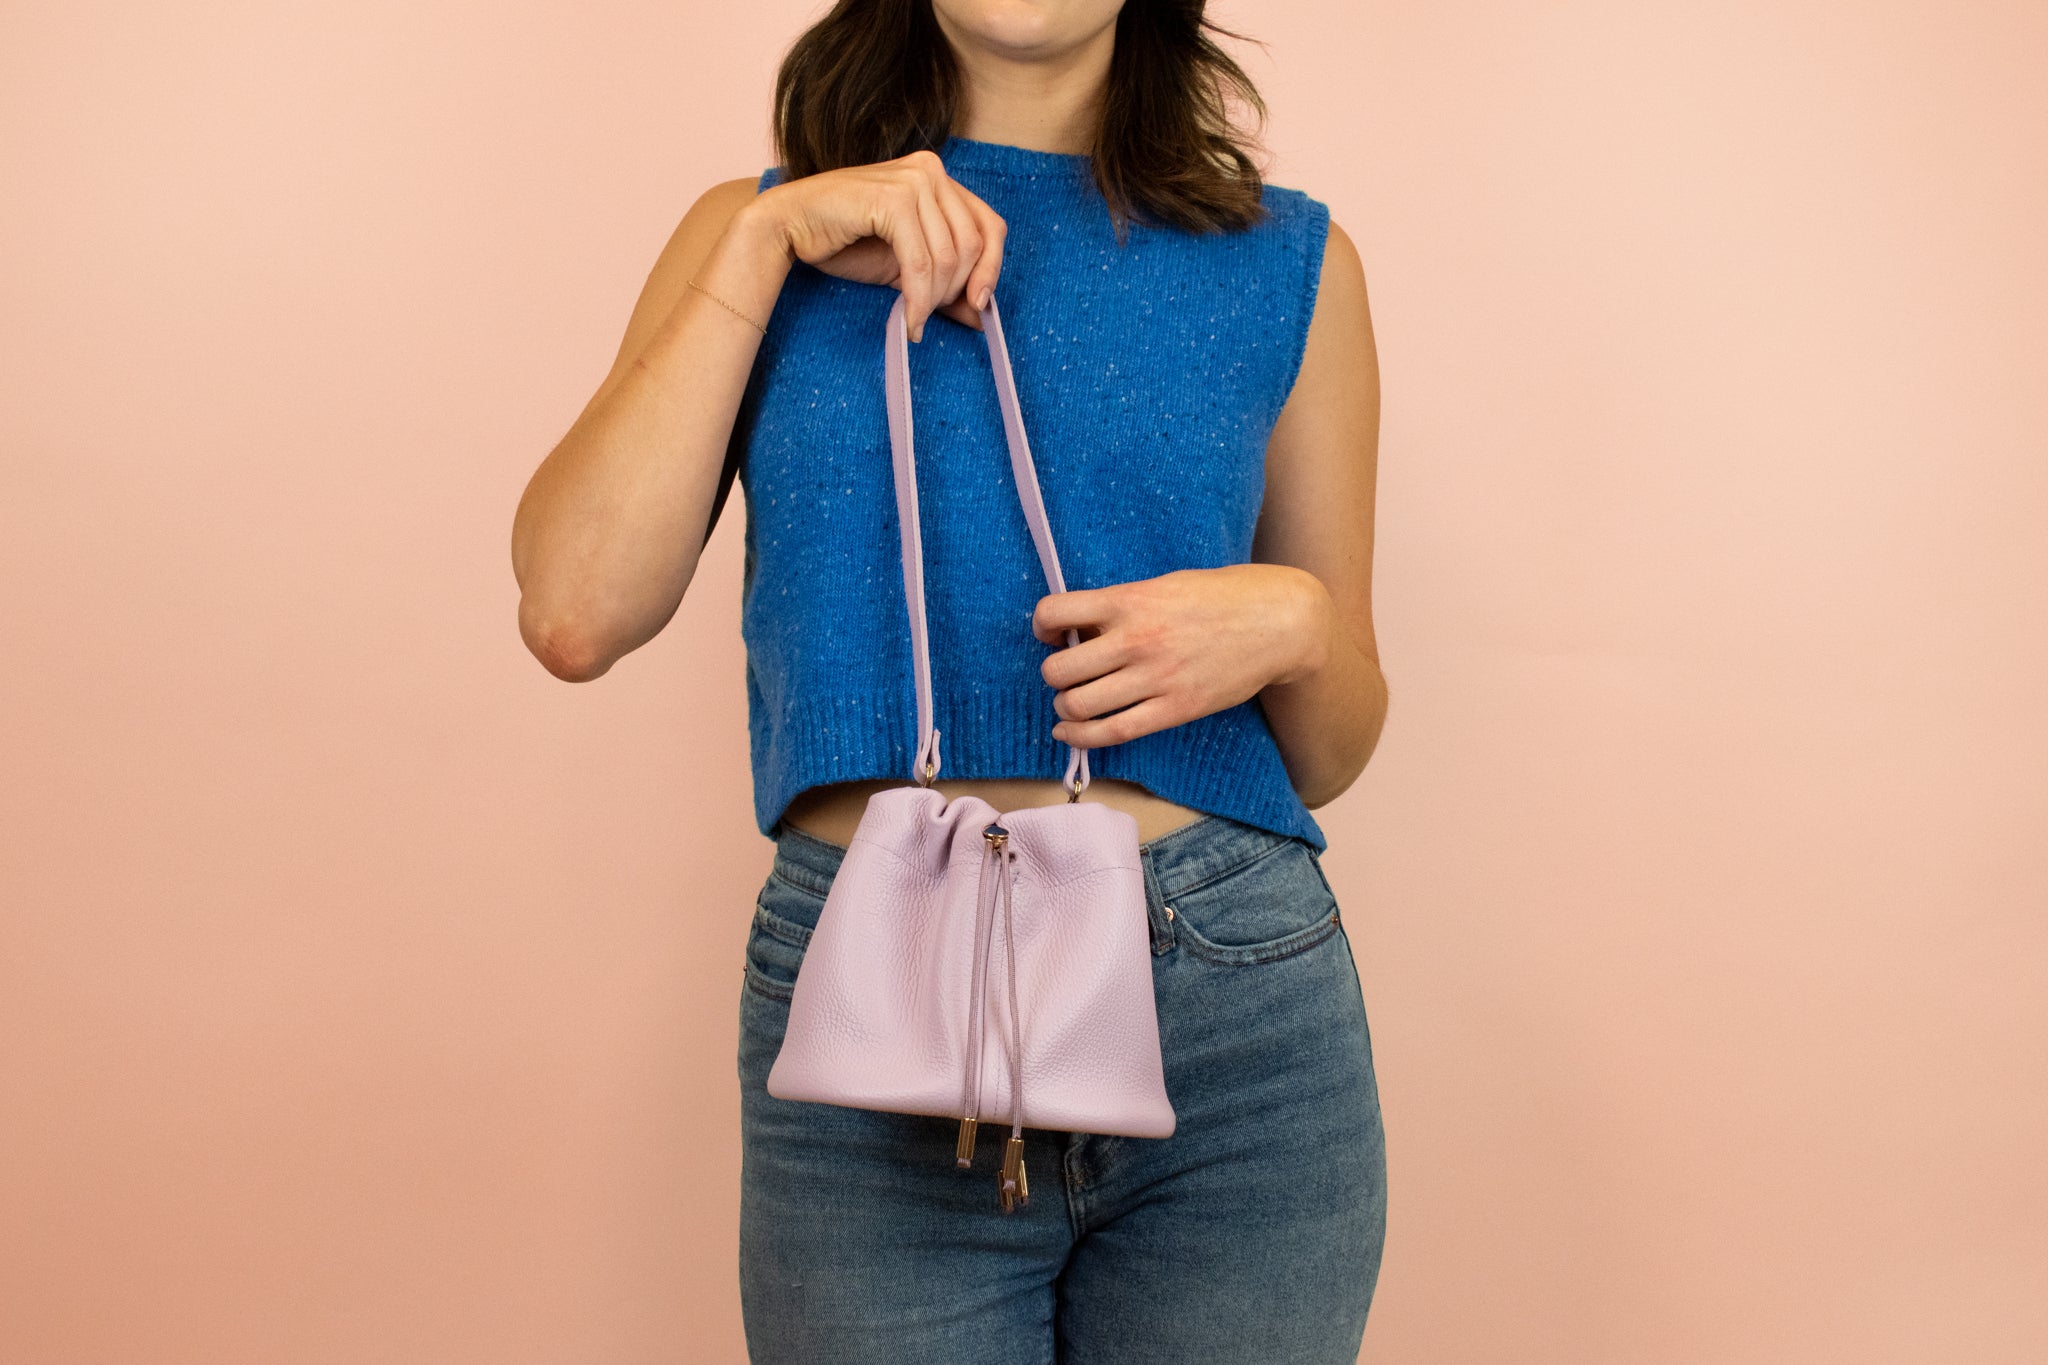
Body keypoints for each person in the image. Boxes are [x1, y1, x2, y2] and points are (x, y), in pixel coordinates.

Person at [511, 1, 1388, 1359]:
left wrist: (1303, 621)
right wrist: (764, 243)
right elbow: (573, 610)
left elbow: (1329, 750)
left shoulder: (1291, 264)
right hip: (877, 1005)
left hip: (1236, 1009)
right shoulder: (756, 232)